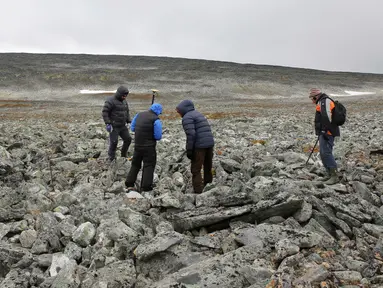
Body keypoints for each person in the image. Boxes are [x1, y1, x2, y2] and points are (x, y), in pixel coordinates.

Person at [176, 100, 215, 193]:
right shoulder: (198, 114)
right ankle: (208, 187)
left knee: (196, 169)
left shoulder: (187, 118)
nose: (179, 114)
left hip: (199, 146)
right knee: (207, 166)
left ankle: (198, 193)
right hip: (209, 144)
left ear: (183, 110)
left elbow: (191, 134)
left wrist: (189, 150)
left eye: (179, 111)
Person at [125, 103, 163, 192]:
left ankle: (129, 183)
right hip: (149, 147)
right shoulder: (156, 119)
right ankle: (146, 187)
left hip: (138, 145)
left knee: (135, 164)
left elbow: (132, 128)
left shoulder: (139, 115)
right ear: (158, 111)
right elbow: (158, 136)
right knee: (149, 165)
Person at [309, 88, 340, 185]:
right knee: (323, 152)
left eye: (312, 99)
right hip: (324, 132)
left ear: (316, 97)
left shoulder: (324, 101)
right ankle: (329, 174)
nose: (312, 101)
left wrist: (325, 130)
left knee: (326, 152)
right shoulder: (322, 102)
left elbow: (326, 116)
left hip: (327, 132)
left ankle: (334, 176)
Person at [102, 85, 132, 162]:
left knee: (128, 139)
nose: (124, 97)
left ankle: (123, 155)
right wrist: (108, 123)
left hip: (122, 126)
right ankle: (111, 158)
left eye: (125, 96)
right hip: (113, 126)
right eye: (123, 96)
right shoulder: (110, 101)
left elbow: (126, 111)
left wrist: (129, 121)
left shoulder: (124, 101)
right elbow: (105, 112)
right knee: (114, 142)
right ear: (119, 94)